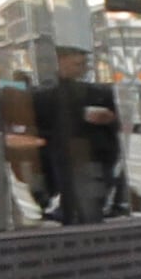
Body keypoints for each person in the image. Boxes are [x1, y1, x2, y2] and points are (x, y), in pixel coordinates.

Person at [32, 46, 123, 224]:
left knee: (88, 205)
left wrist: (110, 119)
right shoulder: (46, 93)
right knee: (79, 205)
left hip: (92, 157)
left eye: (82, 63)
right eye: (75, 63)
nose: (80, 67)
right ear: (60, 63)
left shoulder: (100, 92)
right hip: (68, 157)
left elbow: (117, 123)